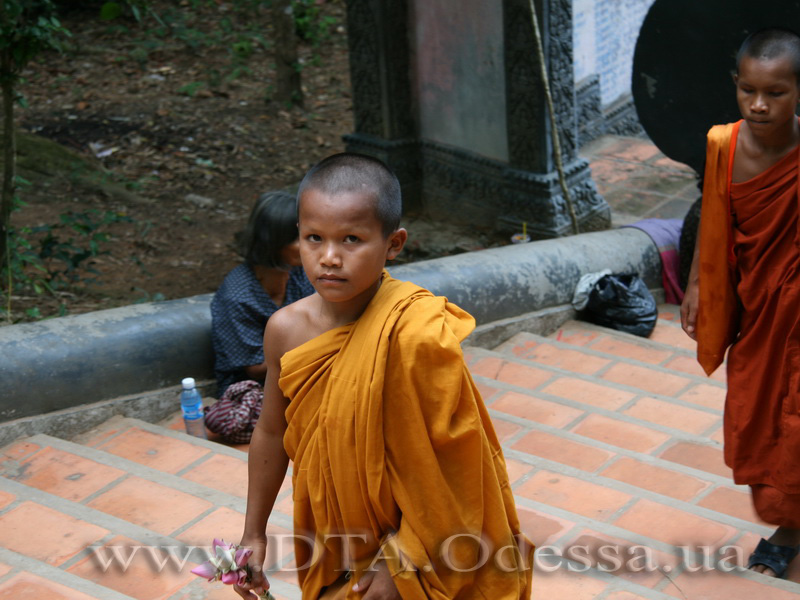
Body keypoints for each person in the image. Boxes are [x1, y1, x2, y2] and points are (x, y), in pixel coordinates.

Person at [235, 153, 533, 599]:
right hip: (335, 534)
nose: (329, 257)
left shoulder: (416, 332)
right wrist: (253, 533)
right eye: (314, 238)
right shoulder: (285, 330)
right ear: (297, 238)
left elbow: (459, 462)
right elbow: (273, 433)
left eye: (351, 239)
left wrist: (406, 559)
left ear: (393, 243)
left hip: (423, 543)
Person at [681, 27, 800, 579]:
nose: (758, 104)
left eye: (776, 93)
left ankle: (792, 528)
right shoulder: (722, 144)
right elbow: (713, 215)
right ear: (735, 85)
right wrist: (701, 286)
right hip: (758, 310)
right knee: (759, 410)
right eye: (748, 89)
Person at [208, 191, 314, 441]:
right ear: (274, 243)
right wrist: (320, 345)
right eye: (300, 237)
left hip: (302, 368)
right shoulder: (238, 295)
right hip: (256, 387)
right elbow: (256, 368)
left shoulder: (300, 272)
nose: (312, 244)